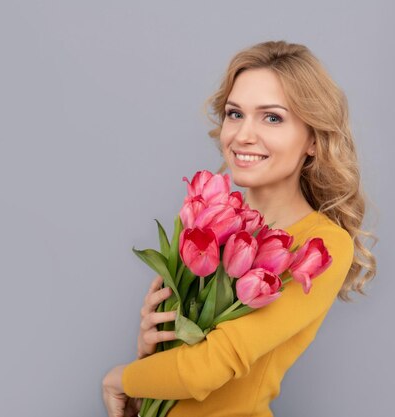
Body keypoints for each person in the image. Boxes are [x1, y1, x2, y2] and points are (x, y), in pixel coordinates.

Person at [102, 40, 377, 417]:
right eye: (235, 114)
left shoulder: (321, 246)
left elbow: (209, 368)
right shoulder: (211, 218)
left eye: (272, 117)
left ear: (314, 139)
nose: (243, 135)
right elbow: (184, 362)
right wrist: (151, 346)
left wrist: (120, 379)